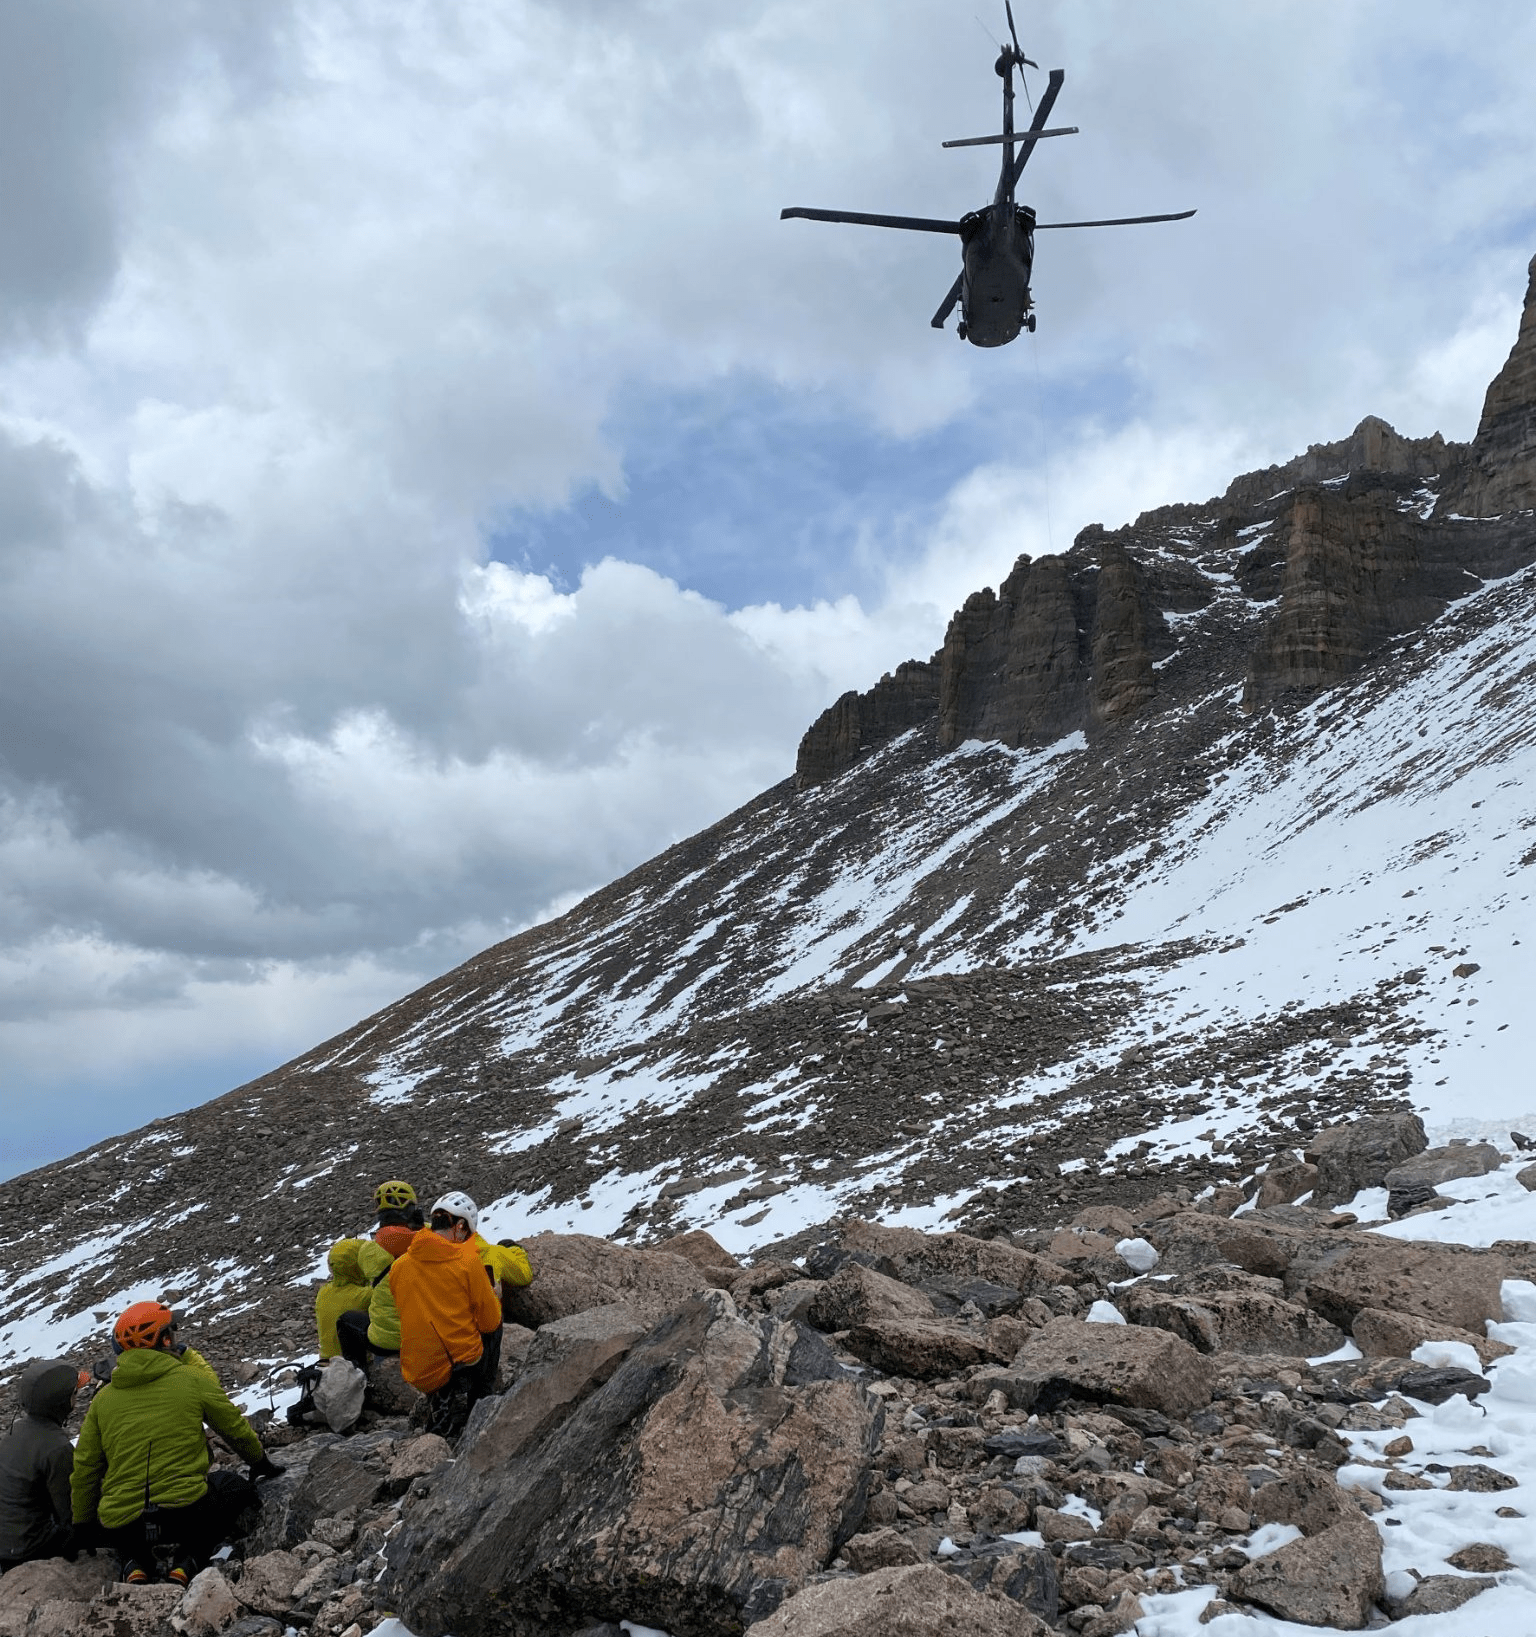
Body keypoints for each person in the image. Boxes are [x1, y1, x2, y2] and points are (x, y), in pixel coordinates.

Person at [70, 1302, 281, 1586]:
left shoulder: (103, 1399)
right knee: (232, 1486)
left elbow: (85, 1467)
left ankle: (135, 1561)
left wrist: (82, 1524)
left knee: (122, 1519)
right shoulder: (190, 1378)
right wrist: (260, 1462)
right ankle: (188, 1561)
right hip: (187, 1514)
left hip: (123, 1525)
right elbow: (234, 1427)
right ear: (164, 1339)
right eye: (172, 1331)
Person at [390, 1191, 503, 1437]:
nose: (465, 1239)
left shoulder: (399, 1266)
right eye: (467, 1234)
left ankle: (441, 1404)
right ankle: (479, 1401)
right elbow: (489, 1321)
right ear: (460, 1226)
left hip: (417, 1370)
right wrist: (493, 1294)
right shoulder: (466, 1261)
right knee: (496, 1324)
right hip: (455, 1367)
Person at [0, 1358, 87, 1571]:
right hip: (30, 1548)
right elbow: (70, 1512)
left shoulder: (15, 1430)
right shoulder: (56, 1447)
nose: (77, 1398)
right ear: (61, 1403)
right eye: (74, 1394)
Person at [335, 1180, 422, 1375]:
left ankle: (362, 1376)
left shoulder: (368, 1250)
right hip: (428, 1333)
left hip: (389, 1342)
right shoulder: (429, 1240)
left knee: (346, 1320)